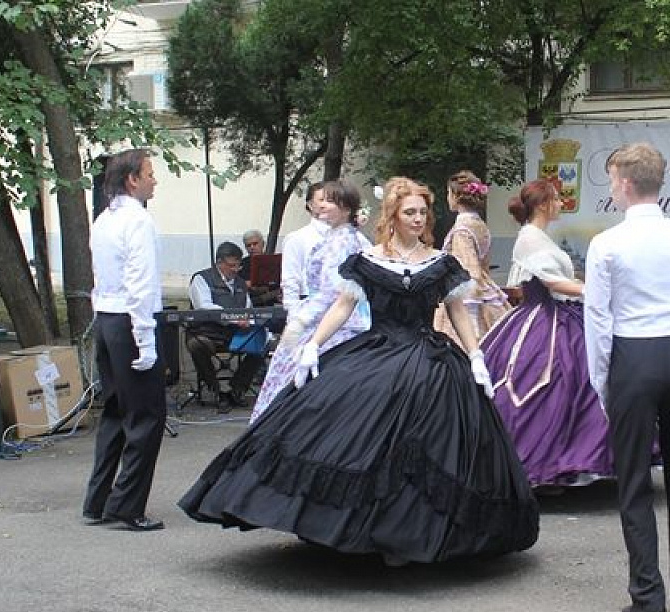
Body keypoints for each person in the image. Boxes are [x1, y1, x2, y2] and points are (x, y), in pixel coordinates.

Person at [179, 177, 538, 564]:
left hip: (429, 357)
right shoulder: (367, 262)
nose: (418, 219)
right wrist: (312, 346)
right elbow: (341, 307)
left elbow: (457, 312)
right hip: (376, 350)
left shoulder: (441, 264)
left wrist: (476, 356)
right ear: (393, 216)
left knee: (434, 438)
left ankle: (413, 534)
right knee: (347, 429)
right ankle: (353, 530)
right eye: (410, 213)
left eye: (423, 212)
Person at [584, 142, 670, 612]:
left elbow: (598, 318)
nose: (612, 187)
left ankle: (648, 597)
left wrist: (602, 382)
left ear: (626, 183)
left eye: (613, 179)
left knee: (634, 482)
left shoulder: (607, 244)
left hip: (631, 356)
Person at [479, 179, 610, 491]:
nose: (561, 203)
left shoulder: (538, 236)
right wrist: (597, 290)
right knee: (550, 384)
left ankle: (577, 459)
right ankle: (546, 462)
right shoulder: (530, 237)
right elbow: (552, 282)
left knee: (579, 383)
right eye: (556, 199)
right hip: (545, 317)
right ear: (542, 204)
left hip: (560, 315)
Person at [82, 148, 166, 532]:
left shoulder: (104, 218)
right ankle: (127, 505)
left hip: (107, 319)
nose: (154, 180)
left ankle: (98, 500)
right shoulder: (137, 221)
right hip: (132, 322)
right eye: (150, 173)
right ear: (133, 179)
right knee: (146, 415)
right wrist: (145, 339)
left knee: (116, 410)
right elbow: (141, 282)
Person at [250, 180, 369, 422]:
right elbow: (291, 284)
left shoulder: (347, 239)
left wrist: (301, 325)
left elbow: (331, 291)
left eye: (331, 200)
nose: (323, 205)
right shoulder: (306, 238)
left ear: (346, 208)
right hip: (322, 312)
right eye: (321, 200)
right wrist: (295, 318)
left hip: (332, 317)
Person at [185, 241, 265, 411]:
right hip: (207, 332)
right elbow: (203, 306)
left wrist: (248, 321)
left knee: (262, 346)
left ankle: (238, 388)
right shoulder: (201, 279)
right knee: (196, 345)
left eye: (238, 265)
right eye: (231, 266)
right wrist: (234, 318)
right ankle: (215, 389)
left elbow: (248, 308)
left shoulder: (240, 284)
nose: (236, 270)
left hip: (234, 335)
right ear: (219, 263)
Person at [433, 170, 509, 344]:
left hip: (468, 293)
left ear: (456, 196)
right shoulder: (479, 224)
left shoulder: (462, 228)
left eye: (448, 193)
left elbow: (468, 270)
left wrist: (468, 318)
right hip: (485, 286)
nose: (448, 197)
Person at [279, 182, 328, 309]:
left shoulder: (348, 236)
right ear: (310, 205)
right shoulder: (297, 238)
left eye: (332, 200)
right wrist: (292, 312)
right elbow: (290, 279)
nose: (327, 204)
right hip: (309, 301)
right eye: (322, 200)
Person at [239, 229, 280, 308]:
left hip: (274, 305)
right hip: (252, 306)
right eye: (248, 245)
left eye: (255, 244)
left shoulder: (274, 261)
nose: (252, 247)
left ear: (263, 244)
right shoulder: (241, 264)